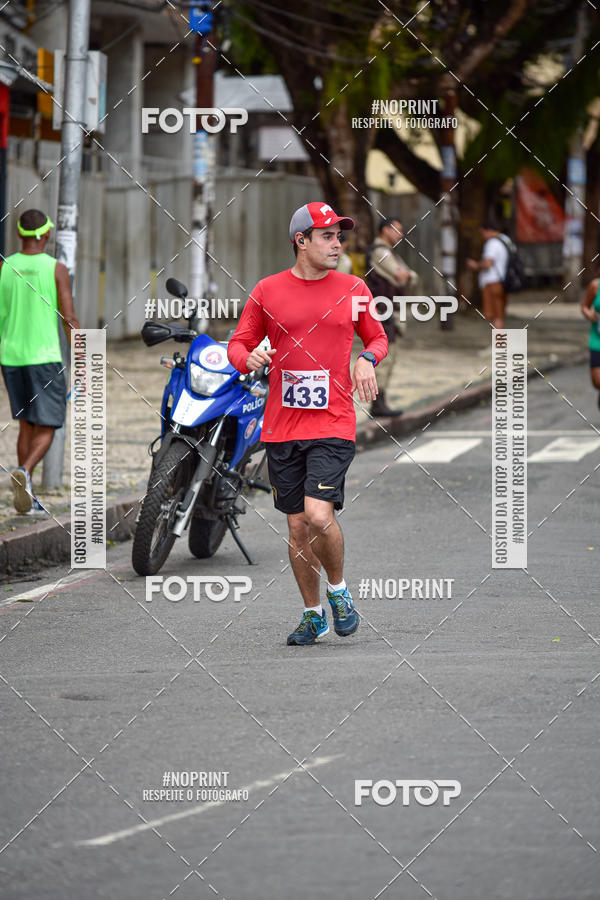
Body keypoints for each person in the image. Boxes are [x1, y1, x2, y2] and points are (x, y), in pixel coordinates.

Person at [227, 201, 388, 646]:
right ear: (301, 241)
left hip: (333, 422)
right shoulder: (267, 290)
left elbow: (377, 337)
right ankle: (312, 614)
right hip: (282, 427)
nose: (337, 244)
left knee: (318, 514)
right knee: (297, 526)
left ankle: (339, 590)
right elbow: (238, 343)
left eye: (339, 236)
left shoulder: (354, 288)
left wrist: (366, 358)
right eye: (327, 236)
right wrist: (247, 358)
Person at [0, 209, 80, 514]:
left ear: (19, 234)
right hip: (44, 359)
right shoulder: (56, 268)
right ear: (46, 234)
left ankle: (28, 494)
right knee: (48, 424)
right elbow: (69, 319)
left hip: (11, 358)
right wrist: (83, 359)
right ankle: (25, 470)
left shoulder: (4, 267)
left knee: (26, 424)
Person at [365, 217, 417, 417]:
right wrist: (408, 275)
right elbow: (401, 276)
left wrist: (408, 275)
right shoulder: (381, 252)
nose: (400, 234)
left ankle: (380, 401)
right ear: (385, 230)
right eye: (397, 230)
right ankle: (377, 403)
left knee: (390, 355)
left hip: (388, 310)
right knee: (384, 357)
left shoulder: (389, 252)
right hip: (382, 311)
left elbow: (409, 277)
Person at [466, 222, 510, 329]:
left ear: (488, 230)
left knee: (495, 317)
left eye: (482, 233)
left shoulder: (492, 243)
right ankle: (499, 339)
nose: (482, 236)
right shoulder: (506, 240)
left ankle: (498, 339)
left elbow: (487, 264)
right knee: (500, 315)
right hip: (502, 281)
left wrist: (475, 265)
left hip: (492, 282)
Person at [580, 275, 600, 409]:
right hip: (597, 341)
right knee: (597, 382)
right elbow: (584, 307)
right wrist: (589, 314)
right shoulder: (595, 286)